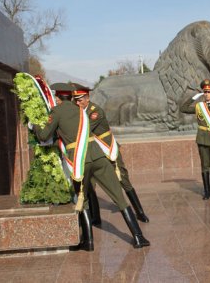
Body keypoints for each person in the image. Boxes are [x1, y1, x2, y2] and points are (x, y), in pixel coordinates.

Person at [32, 83, 150, 250]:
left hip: (80, 161)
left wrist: (34, 126)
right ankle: (138, 237)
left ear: (58, 98)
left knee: (83, 198)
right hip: (98, 156)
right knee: (118, 196)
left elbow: (44, 135)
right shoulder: (81, 110)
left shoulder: (57, 111)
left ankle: (88, 242)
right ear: (71, 98)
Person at [70, 83, 150, 223]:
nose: (78, 102)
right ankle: (96, 217)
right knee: (90, 184)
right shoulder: (78, 112)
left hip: (107, 148)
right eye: (75, 100)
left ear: (88, 98)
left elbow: (84, 130)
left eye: (81, 99)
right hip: (93, 152)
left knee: (123, 179)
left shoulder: (95, 111)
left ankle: (139, 212)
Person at [181, 79, 210, 200]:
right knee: (204, 165)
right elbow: (183, 108)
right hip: (201, 139)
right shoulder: (199, 107)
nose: (206, 94)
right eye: (205, 91)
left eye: (209, 91)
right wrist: (193, 97)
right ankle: (206, 191)